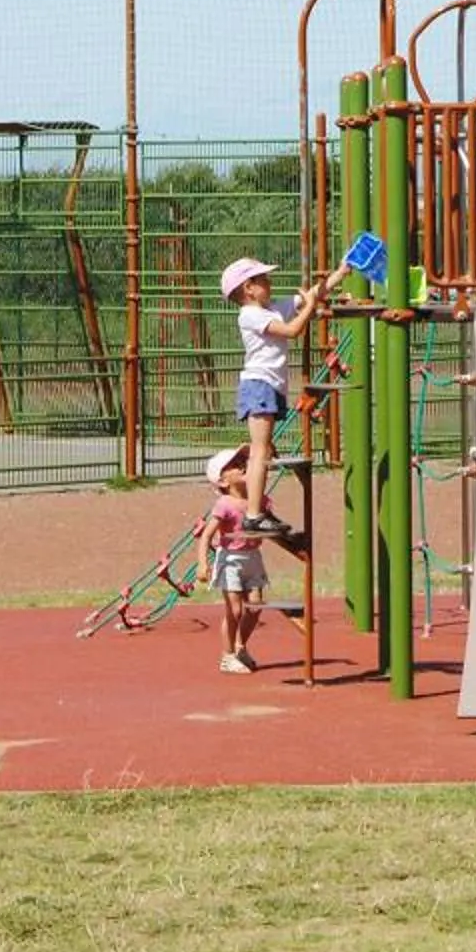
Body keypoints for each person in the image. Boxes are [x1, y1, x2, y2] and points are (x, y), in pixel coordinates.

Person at [220, 255, 342, 536]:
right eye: (263, 279)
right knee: (260, 450)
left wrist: (341, 272)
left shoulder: (271, 309)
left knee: (264, 450)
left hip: (271, 386)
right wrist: (310, 308)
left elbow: (311, 294)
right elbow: (292, 331)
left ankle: (256, 511)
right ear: (248, 288)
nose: (269, 283)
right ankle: (252, 514)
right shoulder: (250, 315)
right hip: (259, 384)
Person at [198, 445, 267, 674]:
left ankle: (240, 647)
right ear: (223, 482)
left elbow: (268, 525)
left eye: (242, 461)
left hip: (253, 558)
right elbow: (207, 535)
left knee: (255, 607)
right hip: (231, 559)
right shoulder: (225, 504)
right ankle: (226, 656)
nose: (241, 465)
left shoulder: (260, 501)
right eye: (234, 465)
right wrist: (203, 563)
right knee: (234, 610)